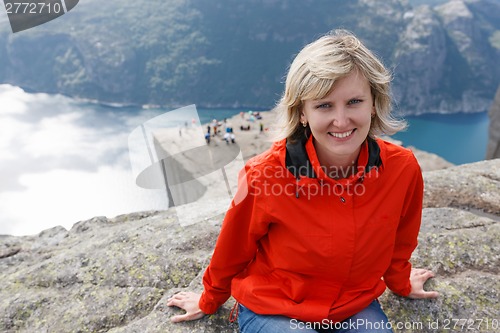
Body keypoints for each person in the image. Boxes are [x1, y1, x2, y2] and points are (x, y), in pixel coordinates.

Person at [167, 29, 438, 332]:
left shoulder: (402, 169)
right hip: (274, 308)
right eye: (324, 105)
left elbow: (401, 240)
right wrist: (209, 300)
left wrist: (400, 283)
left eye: (354, 102)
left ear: (373, 103)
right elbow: (232, 250)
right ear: (302, 113)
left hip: (352, 304)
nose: (341, 120)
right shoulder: (264, 175)